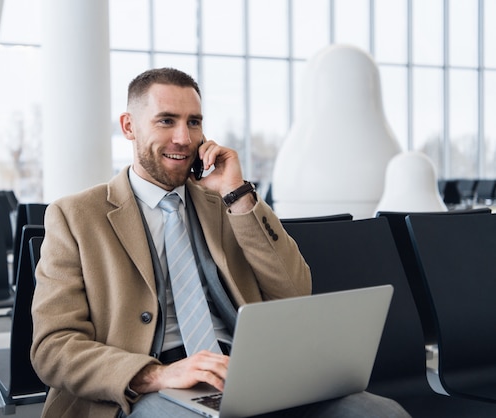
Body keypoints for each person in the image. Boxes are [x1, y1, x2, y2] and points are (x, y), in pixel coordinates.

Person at [30, 67, 410, 418]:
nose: (184, 138)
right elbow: (53, 348)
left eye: (193, 122)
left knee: (380, 413)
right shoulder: (75, 216)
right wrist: (155, 375)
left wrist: (239, 197)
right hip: (141, 388)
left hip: (244, 371)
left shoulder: (226, 204)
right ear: (129, 126)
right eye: (166, 121)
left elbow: (295, 291)